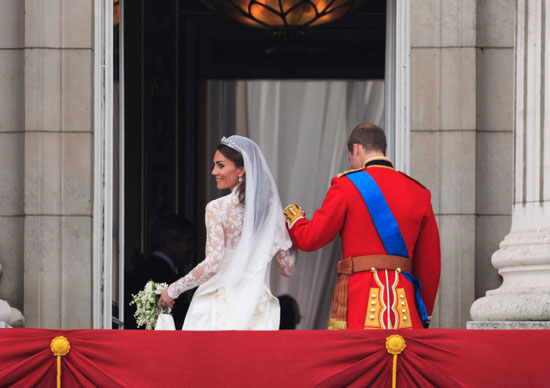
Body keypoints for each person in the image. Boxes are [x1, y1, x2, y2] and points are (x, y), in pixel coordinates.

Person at [284, 124, 440, 330]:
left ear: (356, 149)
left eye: (350, 158)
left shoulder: (346, 185)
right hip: (405, 310)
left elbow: (311, 238)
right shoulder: (419, 191)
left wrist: (293, 216)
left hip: (360, 303)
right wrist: (424, 313)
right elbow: (430, 264)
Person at [158, 135, 296, 330]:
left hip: (219, 306)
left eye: (220, 165)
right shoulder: (270, 214)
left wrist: (173, 290)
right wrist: (291, 228)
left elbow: (213, 264)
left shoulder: (217, 208)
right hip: (257, 308)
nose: (214, 171)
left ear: (242, 169)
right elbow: (287, 268)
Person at [126, 215, 195, 329]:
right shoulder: (171, 279)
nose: (192, 247)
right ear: (170, 242)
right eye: (187, 241)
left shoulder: (138, 272)